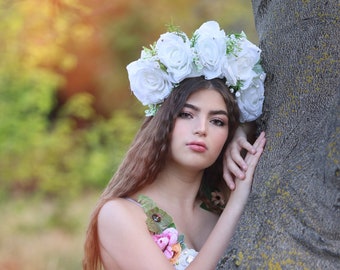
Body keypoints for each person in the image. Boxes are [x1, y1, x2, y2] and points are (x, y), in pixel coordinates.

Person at [83, 21, 266, 270]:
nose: (201, 129)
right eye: (186, 114)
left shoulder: (216, 208)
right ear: (163, 122)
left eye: (217, 121)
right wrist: (236, 204)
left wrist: (241, 132)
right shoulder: (119, 215)